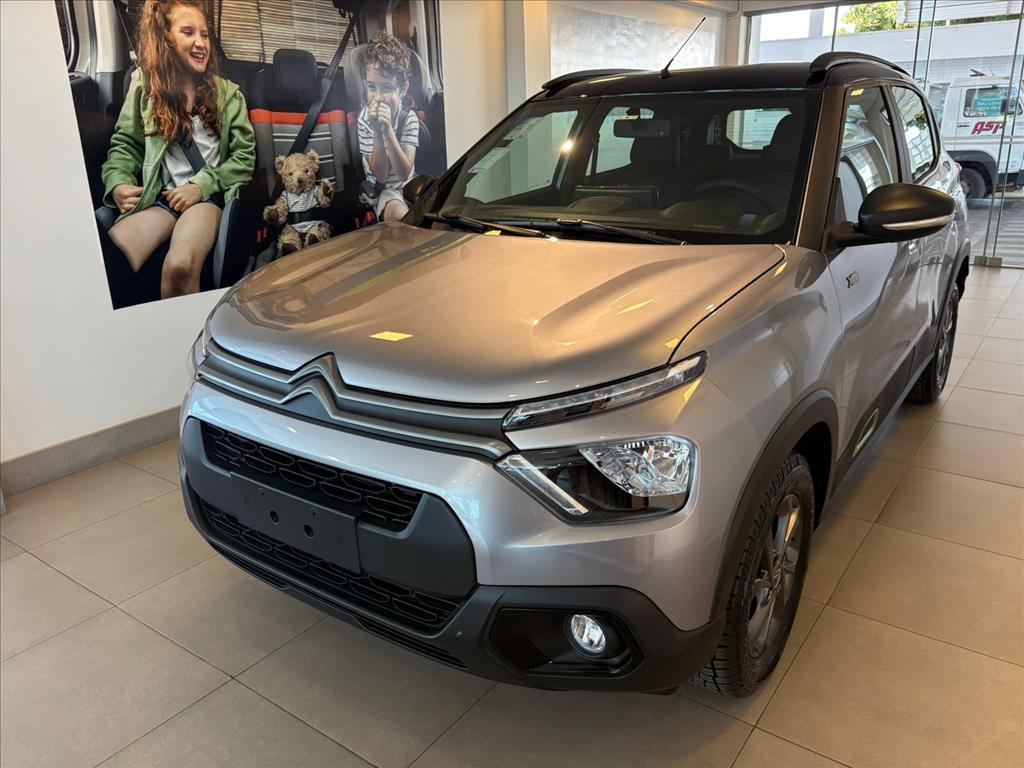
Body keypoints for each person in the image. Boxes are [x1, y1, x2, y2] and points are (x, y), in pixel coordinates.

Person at [101, 0, 254, 299]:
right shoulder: (145, 87)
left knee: (179, 266)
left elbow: (244, 158)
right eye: (188, 32)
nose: (200, 43)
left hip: (206, 200)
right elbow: (125, 146)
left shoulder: (228, 95)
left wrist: (202, 185)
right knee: (111, 258)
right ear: (166, 39)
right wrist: (118, 182)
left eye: (204, 34)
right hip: (162, 199)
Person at [357, 31, 420, 222]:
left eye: (386, 88)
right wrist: (379, 132)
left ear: (403, 89)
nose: (377, 97)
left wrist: (389, 132)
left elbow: (404, 173)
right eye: (371, 87)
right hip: (384, 191)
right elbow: (381, 176)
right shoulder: (364, 120)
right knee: (399, 214)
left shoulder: (409, 118)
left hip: (409, 185)